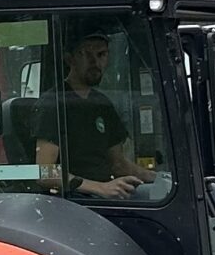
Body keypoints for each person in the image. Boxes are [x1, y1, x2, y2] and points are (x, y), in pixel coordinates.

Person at [36, 22, 150, 201]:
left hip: (104, 194)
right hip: (72, 200)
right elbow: (44, 171)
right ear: (69, 59)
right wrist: (100, 188)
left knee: (154, 197)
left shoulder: (102, 104)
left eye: (101, 54)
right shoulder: (54, 103)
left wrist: (162, 180)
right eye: (86, 54)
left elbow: (118, 164)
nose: (95, 62)